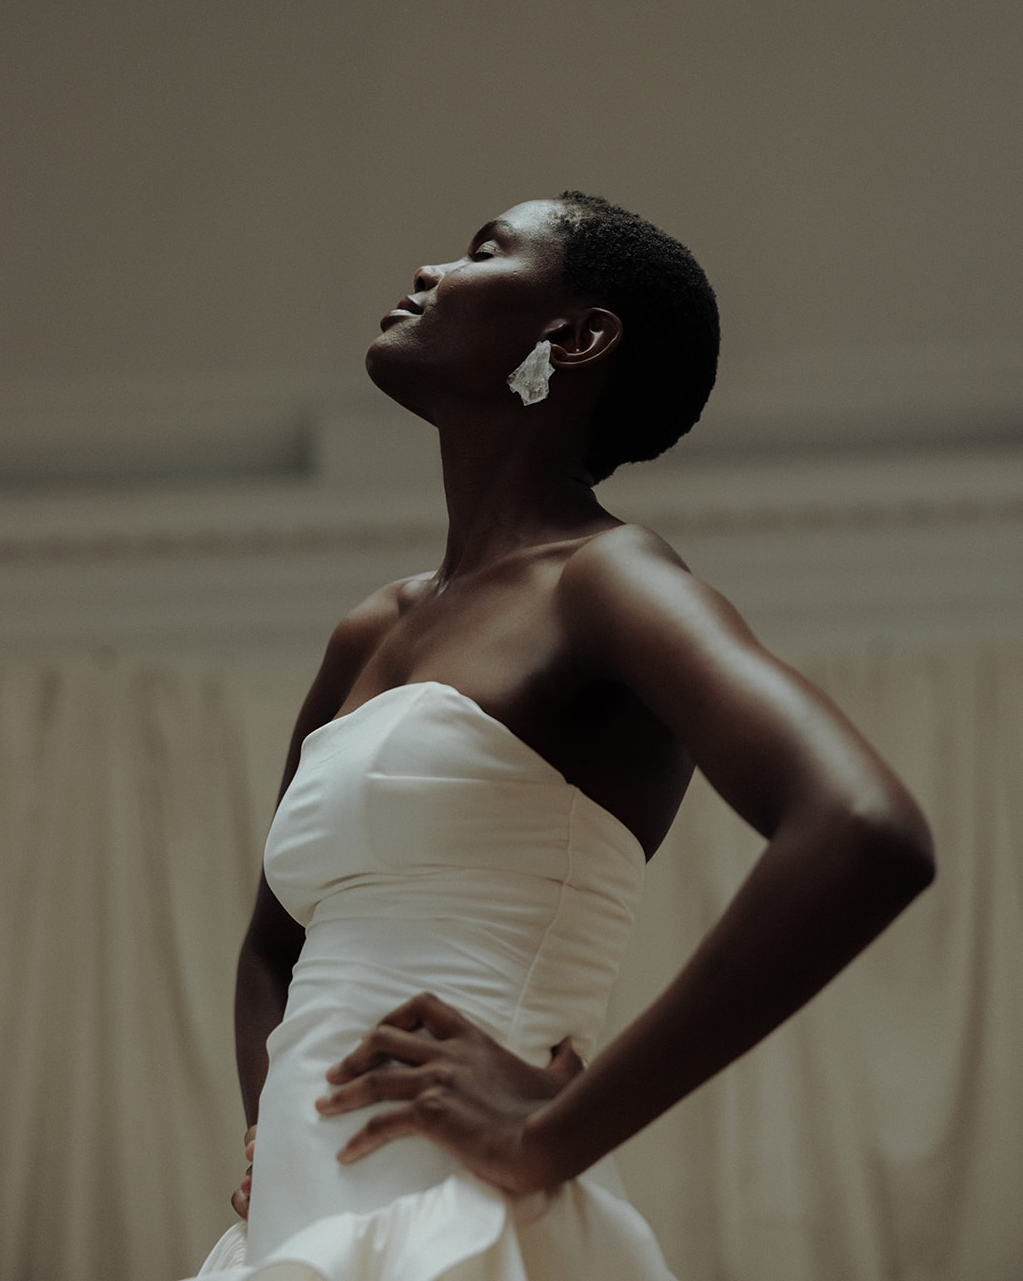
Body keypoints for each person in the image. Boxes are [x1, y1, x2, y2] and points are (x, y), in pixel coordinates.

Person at [189, 192, 935, 1280]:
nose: (431, 269)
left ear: (575, 337)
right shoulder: (370, 629)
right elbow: (272, 944)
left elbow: (863, 828)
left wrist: (555, 1133)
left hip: (459, 1218)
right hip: (298, 1227)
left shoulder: (604, 581)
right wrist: (272, 1139)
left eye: (484, 250)